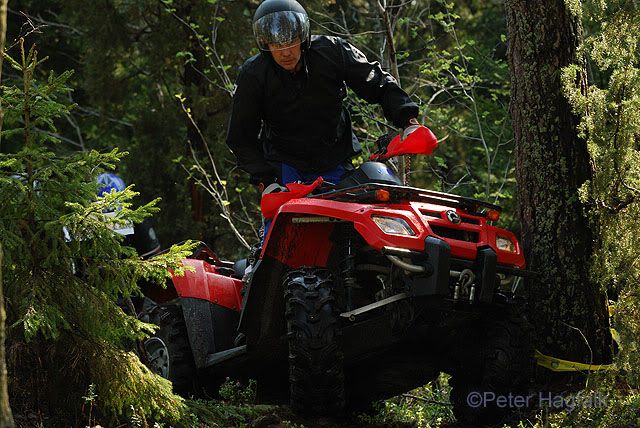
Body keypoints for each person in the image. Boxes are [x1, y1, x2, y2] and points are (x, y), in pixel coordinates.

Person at [226, 0, 420, 188]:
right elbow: (240, 137)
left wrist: (409, 121)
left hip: (335, 159)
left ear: (303, 36)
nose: (286, 53)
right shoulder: (253, 74)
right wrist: (266, 181)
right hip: (285, 166)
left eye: (291, 42)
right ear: (266, 45)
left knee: (354, 215)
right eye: (277, 45)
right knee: (284, 219)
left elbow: (377, 81)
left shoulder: (333, 51)